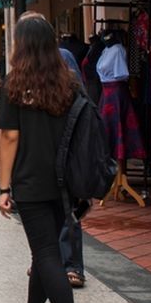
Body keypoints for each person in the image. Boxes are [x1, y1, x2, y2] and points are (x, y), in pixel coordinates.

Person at [0, 13, 92, 303]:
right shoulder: (69, 83)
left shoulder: (14, 85)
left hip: (31, 182)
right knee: (45, 251)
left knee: (48, 254)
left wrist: (4, 186)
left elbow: (9, 137)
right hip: (67, 183)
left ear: (20, 45)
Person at [58, 47, 86, 289]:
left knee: (69, 210)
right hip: (45, 154)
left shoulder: (63, 56)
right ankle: (46, 261)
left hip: (68, 153)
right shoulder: (28, 69)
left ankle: (73, 265)